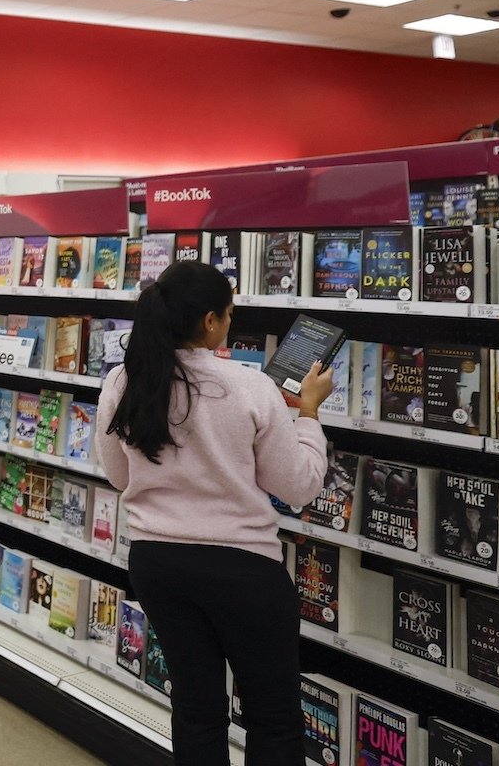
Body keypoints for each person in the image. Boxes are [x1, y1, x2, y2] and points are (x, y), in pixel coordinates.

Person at [95, 260, 330, 766]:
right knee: (273, 720)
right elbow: (298, 486)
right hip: (242, 570)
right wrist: (308, 415)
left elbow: (119, 477)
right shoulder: (249, 387)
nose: (231, 322)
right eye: (228, 314)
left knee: (196, 710)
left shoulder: (122, 382)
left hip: (158, 565)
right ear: (209, 321)